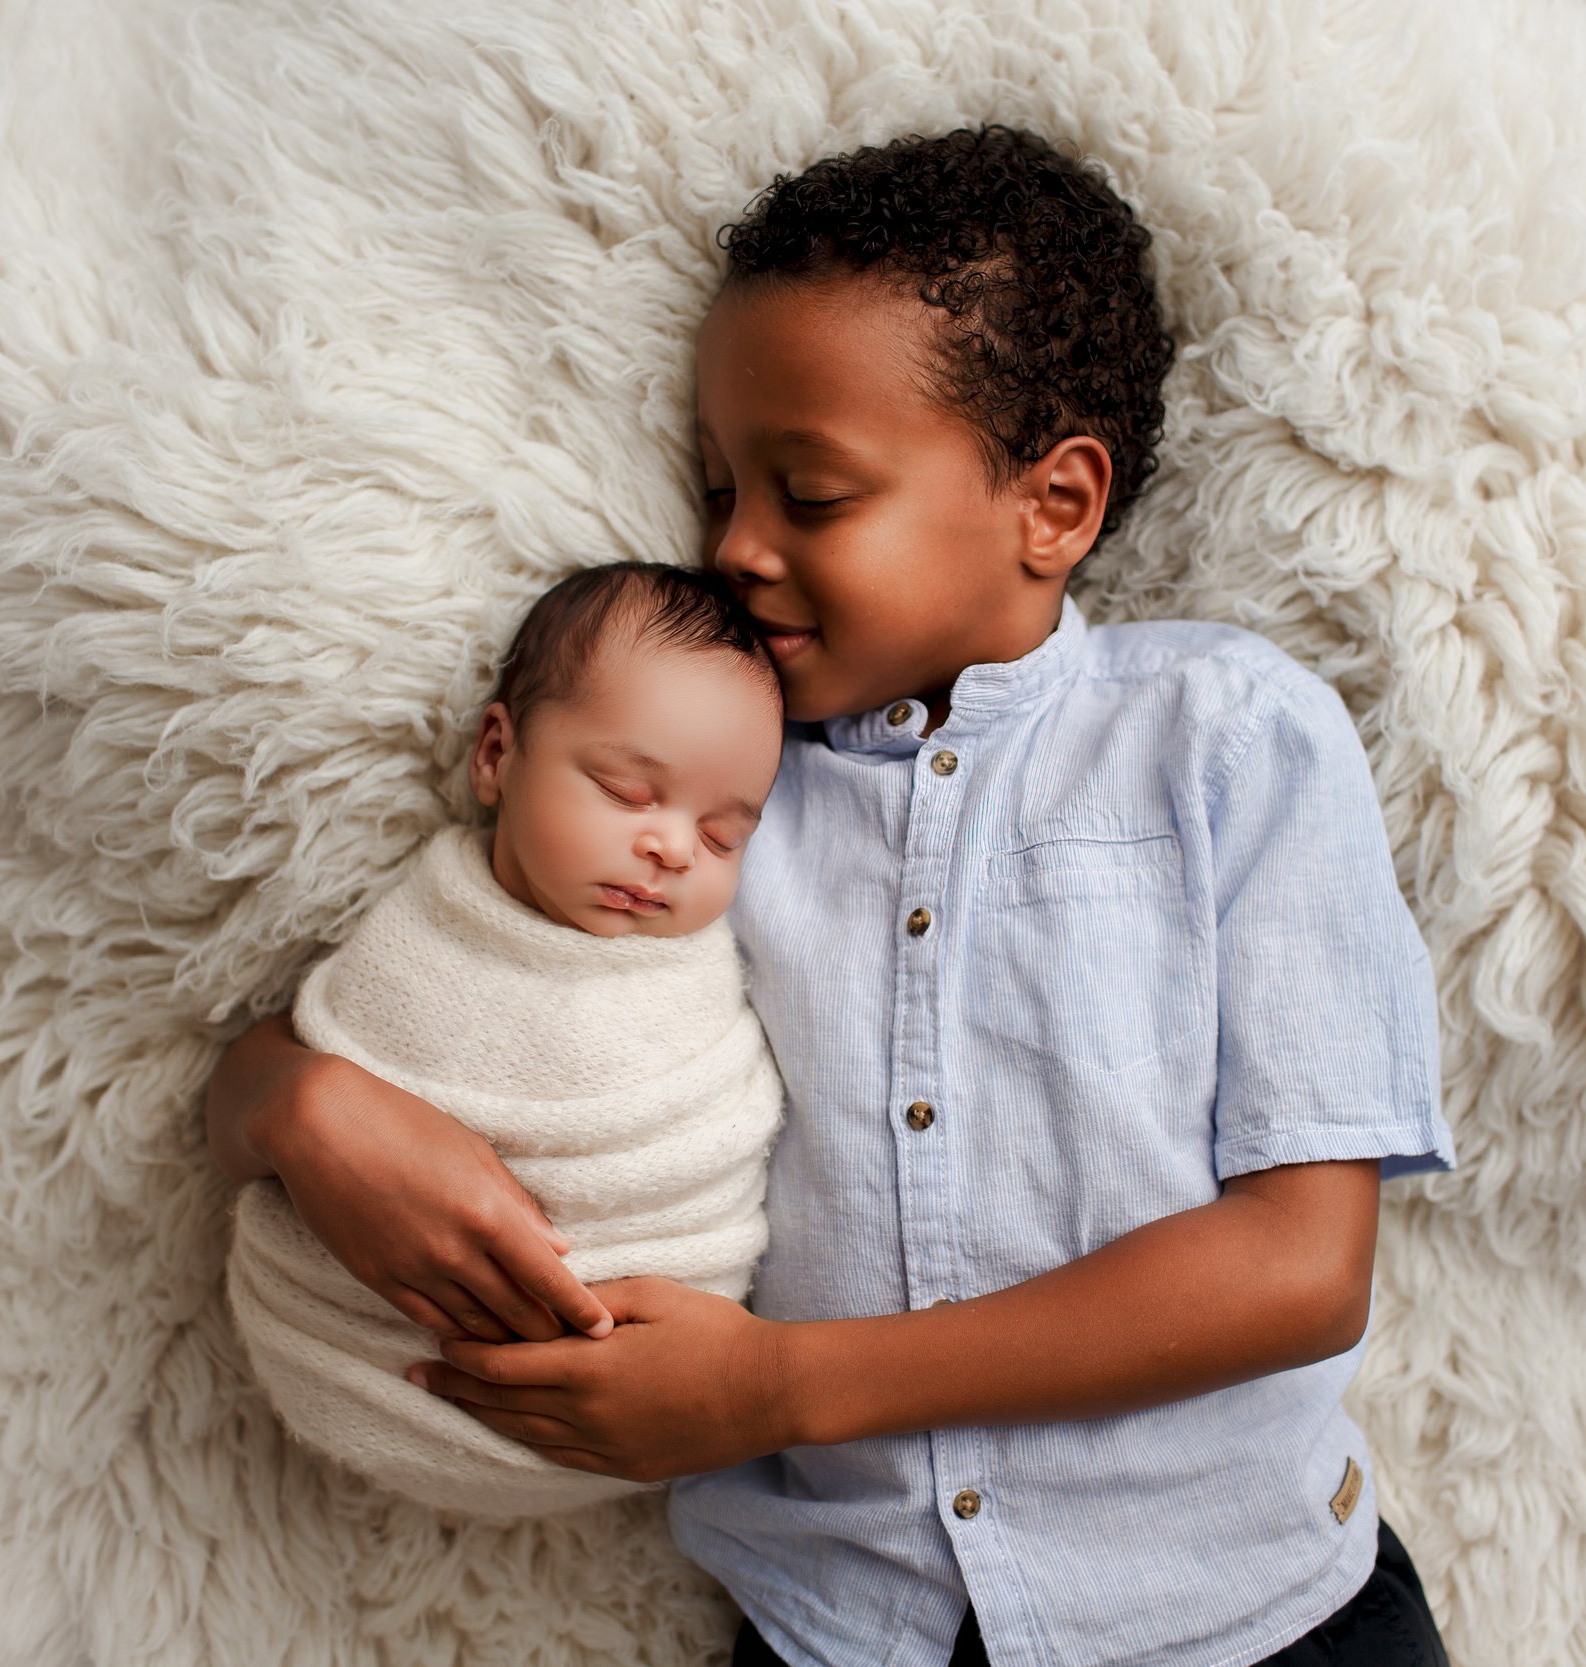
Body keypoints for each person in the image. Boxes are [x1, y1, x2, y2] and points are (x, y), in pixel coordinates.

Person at [205, 126, 1458, 1666]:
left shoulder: (1227, 736)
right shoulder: (716, 794)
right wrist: (303, 1108)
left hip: (1243, 1610)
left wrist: (782, 1387)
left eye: (808, 493)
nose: (733, 547)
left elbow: (1299, 1266)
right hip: (843, 1625)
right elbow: (435, 992)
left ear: (1053, 505)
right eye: (717, 484)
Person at [223, 561, 787, 1519]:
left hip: (632, 1405)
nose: (674, 848)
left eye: (725, 836)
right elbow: (321, 1062)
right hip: (338, 1346)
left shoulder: (696, 978)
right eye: (624, 789)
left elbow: (719, 1141)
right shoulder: (420, 933)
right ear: (496, 754)